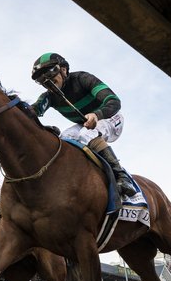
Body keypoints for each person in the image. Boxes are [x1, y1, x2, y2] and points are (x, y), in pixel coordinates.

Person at [30, 52, 136, 197]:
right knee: (64, 139)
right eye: (41, 78)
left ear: (63, 69)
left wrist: (97, 115)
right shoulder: (49, 97)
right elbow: (32, 111)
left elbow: (114, 101)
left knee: (86, 134)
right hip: (84, 124)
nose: (47, 80)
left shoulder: (82, 78)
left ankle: (122, 176)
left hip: (111, 117)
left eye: (50, 72)